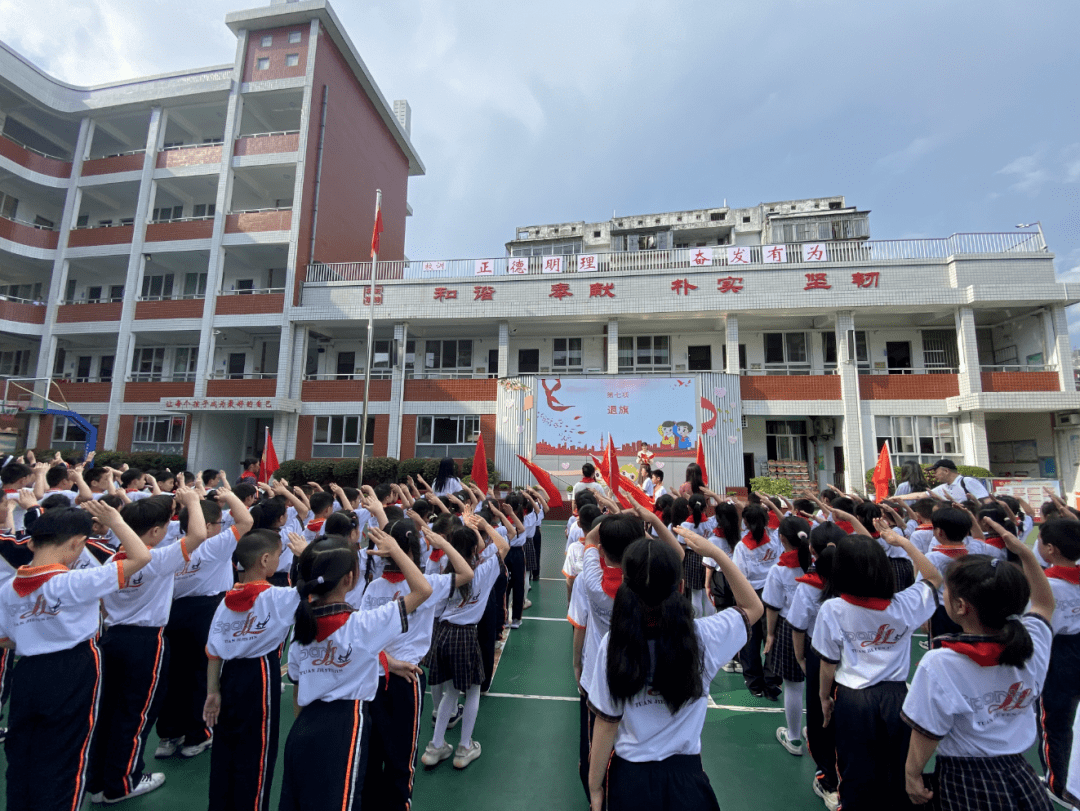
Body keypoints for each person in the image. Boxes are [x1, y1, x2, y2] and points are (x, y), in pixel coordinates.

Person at [585, 529, 763, 811]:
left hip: (631, 779)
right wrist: (716, 554)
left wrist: (595, 786)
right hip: (687, 779)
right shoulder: (704, 636)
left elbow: (606, 723)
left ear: (626, 585)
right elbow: (752, 607)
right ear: (680, 586)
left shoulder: (614, 643)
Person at [0, 502, 152, 811]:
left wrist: (36, 634)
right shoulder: (75, 582)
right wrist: (117, 521)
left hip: (27, 671)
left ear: (30, 542)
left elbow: (6, 639)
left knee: (22, 756)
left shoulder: (8, 588)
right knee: (67, 756)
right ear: (76, 544)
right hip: (73, 668)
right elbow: (141, 556)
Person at [901, 518, 1055, 811]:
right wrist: (1024, 554)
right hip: (1020, 774)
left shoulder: (941, 661)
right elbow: (1044, 605)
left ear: (961, 606)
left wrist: (912, 773)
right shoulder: (1032, 642)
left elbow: (927, 732)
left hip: (966, 777)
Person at [279, 532, 433, 811]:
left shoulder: (302, 626)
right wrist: (396, 549)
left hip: (303, 728)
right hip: (344, 726)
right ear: (349, 579)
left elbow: (298, 693)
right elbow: (423, 590)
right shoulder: (364, 625)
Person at [87, 489, 209, 803]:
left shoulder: (113, 559)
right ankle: (123, 782)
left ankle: (99, 781)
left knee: (109, 712)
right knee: (136, 714)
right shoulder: (154, 558)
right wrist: (194, 502)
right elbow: (197, 534)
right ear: (154, 532)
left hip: (111, 638)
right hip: (145, 643)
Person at [813, 526, 943, 811]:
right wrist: (903, 543)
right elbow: (934, 577)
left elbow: (828, 662)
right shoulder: (905, 604)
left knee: (856, 776)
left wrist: (824, 697)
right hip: (898, 699)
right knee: (899, 773)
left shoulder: (833, 609)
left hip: (853, 700)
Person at [358, 520, 473, 810]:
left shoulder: (373, 587)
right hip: (405, 678)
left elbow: (361, 636)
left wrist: (386, 660)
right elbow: (466, 572)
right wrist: (444, 543)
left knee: (372, 755)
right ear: (414, 549)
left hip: (373, 675)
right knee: (401, 758)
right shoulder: (428, 585)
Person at [203, 529, 303, 811]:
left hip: (227, 678)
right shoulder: (277, 598)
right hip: (259, 675)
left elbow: (213, 651)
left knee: (225, 751)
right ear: (265, 559)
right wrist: (305, 555)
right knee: (257, 755)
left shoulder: (225, 601)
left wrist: (212, 691)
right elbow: (317, 588)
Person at [422, 516, 510, 770]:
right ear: (474, 549)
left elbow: (436, 610)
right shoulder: (484, 569)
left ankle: (435, 746)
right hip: (465, 635)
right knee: (471, 690)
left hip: (442, 633)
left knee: (451, 691)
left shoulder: (444, 573)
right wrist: (484, 526)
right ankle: (464, 746)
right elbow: (503, 545)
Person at [789, 521, 845, 810]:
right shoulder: (857, 582)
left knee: (821, 717)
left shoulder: (810, 587)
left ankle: (827, 778)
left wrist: (801, 658)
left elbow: (798, 626)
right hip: (852, 658)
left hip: (818, 654)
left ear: (812, 550)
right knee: (844, 716)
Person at [1033, 519, 1080, 804]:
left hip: (1057, 652)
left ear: (1050, 549)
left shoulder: (1046, 585)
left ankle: (1058, 783)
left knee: (1055, 722)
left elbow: (1036, 624)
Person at [762, 515, 813, 756]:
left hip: (790, 628)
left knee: (793, 686)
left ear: (781, 538)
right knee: (818, 685)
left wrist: (770, 634)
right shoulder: (820, 563)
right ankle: (814, 732)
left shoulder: (779, 570)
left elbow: (773, 606)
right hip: (819, 628)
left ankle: (793, 738)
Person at [733, 503, 782, 700]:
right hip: (773, 594)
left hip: (751, 595)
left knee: (751, 641)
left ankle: (755, 684)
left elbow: (739, 577)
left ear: (745, 522)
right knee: (772, 638)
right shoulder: (775, 539)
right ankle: (771, 681)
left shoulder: (742, 547)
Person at [926, 459, 991, 504]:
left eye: (936, 471)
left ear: (946, 471)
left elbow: (987, 501)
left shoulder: (967, 481)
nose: (934, 474)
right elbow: (921, 495)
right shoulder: (943, 487)